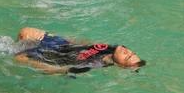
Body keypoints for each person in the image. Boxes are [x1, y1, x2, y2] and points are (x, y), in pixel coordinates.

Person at [14, 27, 146, 74]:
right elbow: (84, 44)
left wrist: (29, 61)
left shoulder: (94, 64)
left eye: (127, 57)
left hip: (53, 57)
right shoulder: (108, 48)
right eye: (131, 52)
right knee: (25, 32)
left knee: (17, 55)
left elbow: (60, 70)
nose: (127, 52)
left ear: (120, 65)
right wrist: (60, 38)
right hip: (62, 45)